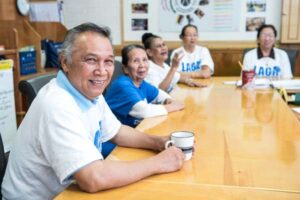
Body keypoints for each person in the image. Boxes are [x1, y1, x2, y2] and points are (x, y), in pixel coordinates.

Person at [1, 23, 185, 199]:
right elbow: (93, 178)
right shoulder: (56, 104)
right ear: (65, 62)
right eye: (91, 60)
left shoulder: (89, 93)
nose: (102, 71)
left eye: (108, 62)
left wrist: (159, 142)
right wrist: (160, 162)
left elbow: (117, 132)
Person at [105, 44, 184, 127]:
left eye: (144, 60)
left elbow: (160, 95)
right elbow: (143, 111)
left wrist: (168, 100)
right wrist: (172, 107)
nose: (142, 65)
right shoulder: (122, 84)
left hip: (133, 132)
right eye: (136, 61)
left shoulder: (141, 83)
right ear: (125, 68)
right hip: (113, 139)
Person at [141, 32, 205, 93]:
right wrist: (173, 68)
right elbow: (158, 92)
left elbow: (178, 77)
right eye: (159, 46)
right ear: (149, 52)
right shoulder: (148, 68)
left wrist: (189, 81)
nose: (163, 48)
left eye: (163, 44)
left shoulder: (164, 65)